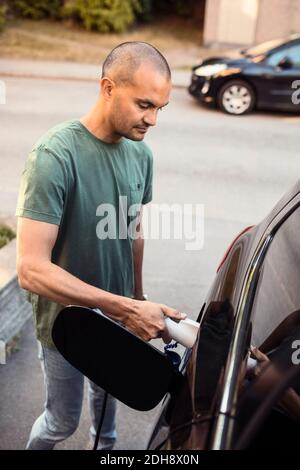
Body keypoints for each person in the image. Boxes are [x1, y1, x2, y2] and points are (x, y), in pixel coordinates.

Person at [15, 41, 186, 450]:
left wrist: (137, 297)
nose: (153, 119)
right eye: (145, 104)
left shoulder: (141, 154)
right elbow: (31, 269)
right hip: (65, 323)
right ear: (108, 87)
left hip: (117, 316)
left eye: (161, 107)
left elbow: (133, 230)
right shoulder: (54, 155)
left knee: (107, 425)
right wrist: (125, 307)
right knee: (61, 422)